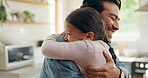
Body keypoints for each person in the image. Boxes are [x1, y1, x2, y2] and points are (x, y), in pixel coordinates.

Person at [39, 0, 129, 78]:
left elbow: (123, 69)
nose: (117, 27)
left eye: (118, 20)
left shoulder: (98, 42)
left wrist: (118, 74)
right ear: (93, 15)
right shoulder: (63, 46)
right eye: (112, 18)